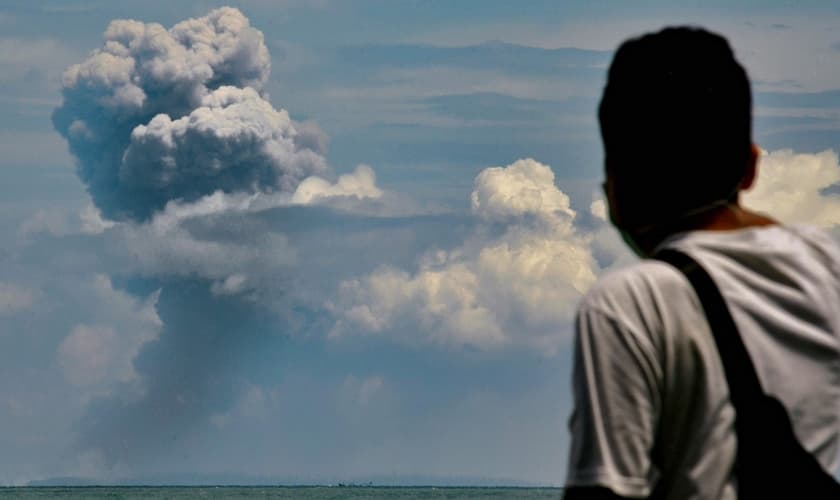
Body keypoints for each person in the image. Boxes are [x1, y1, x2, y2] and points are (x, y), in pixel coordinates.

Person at [563, 27, 840, 499]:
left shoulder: (631, 303)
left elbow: (607, 489)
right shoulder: (828, 266)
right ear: (751, 167)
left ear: (616, 188)